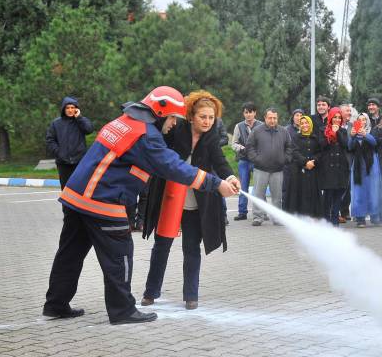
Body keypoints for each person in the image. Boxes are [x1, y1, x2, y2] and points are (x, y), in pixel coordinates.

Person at [42, 86, 239, 325]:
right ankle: (123, 311)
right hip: (102, 201)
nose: (174, 125)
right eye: (172, 118)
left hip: (76, 198)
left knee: (69, 254)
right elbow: (173, 167)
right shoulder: (145, 135)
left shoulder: (124, 121)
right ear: (160, 112)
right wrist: (215, 184)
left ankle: (56, 304)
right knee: (120, 255)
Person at [140, 91, 237, 310]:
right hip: (170, 197)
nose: (207, 121)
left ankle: (191, 296)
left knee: (192, 248)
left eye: (211, 118)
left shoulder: (212, 137)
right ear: (191, 116)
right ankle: (150, 292)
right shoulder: (177, 129)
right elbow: (159, 152)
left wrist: (230, 177)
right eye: (203, 116)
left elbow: (220, 162)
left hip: (196, 202)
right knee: (162, 246)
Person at [246, 108, 293, 226]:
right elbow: (249, 146)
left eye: (274, 118)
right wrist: (256, 159)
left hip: (278, 170)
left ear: (277, 118)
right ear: (265, 118)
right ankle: (257, 217)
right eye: (270, 118)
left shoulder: (283, 131)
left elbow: (289, 147)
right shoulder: (257, 131)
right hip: (260, 169)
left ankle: (276, 218)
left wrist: (285, 159)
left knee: (277, 197)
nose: (272, 120)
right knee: (258, 194)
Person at [45, 96, 94, 189]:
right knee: (66, 190)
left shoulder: (81, 121)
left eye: (72, 107)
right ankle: (66, 204)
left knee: (80, 189)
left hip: (79, 162)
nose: (70, 110)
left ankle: (78, 204)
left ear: (76, 109)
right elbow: (50, 140)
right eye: (67, 108)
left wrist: (79, 117)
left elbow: (89, 129)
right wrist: (59, 153)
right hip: (63, 163)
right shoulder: (56, 123)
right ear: (63, 109)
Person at [285, 116, 323, 218]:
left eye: (306, 123)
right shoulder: (295, 137)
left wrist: (313, 161)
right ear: (300, 125)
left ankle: (313, 216)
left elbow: (319, 152)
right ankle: (300, 215)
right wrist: (306, 162)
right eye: (302, 123)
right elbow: (294, 152)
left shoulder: (315, 137)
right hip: (299, 171)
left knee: (312, 193)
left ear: (310, 124)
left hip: (313, 171)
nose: (304, 125)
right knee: (300, 193)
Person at [348, 113, 381, 227]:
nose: (361, 121)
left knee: (373, 190)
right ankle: (360, 218)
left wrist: (365, 134)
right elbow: (350, 147)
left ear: (367, 121)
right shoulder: (353, 132)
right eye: (359, 120)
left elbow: (374, 142)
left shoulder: (372, 131)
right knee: (358, 192)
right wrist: (352, 136)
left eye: (363, 119)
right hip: (358, 165)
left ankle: (374, 216)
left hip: (371, 165)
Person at [231, 102, 262, 221]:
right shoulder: (238, 126)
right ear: (243, 113)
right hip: (243, 160)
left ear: (255, 113)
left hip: (257, 161)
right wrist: (241, 148)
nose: (248, 114)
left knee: (259, 187)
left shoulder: (261, 125)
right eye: (246, 112)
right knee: (243, 187)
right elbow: (233, 143)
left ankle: (260, 213)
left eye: (250, 112)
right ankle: (242, 212)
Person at [319, 107, 349, 226]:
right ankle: (326, 219)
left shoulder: (343, 131)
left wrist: (337, 133)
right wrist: (331, 134)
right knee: (328, 196)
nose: (337, 119)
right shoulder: (323, 130)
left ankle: (335, 219)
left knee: (338, 195)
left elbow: (345, 145)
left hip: (340, 167)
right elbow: (322, 145)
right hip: (327, 168)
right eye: (335, 117)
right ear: (330, 118)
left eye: (339, 117)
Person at [282, 108, 304, 207]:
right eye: (296, 115)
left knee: (301, 189)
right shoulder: (286, 130)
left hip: (302, 164)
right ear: (293, 117)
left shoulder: (306, 129)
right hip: (289, 164)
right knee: (287, 188)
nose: (298, 118)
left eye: (300, 115)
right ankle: (286, 210)